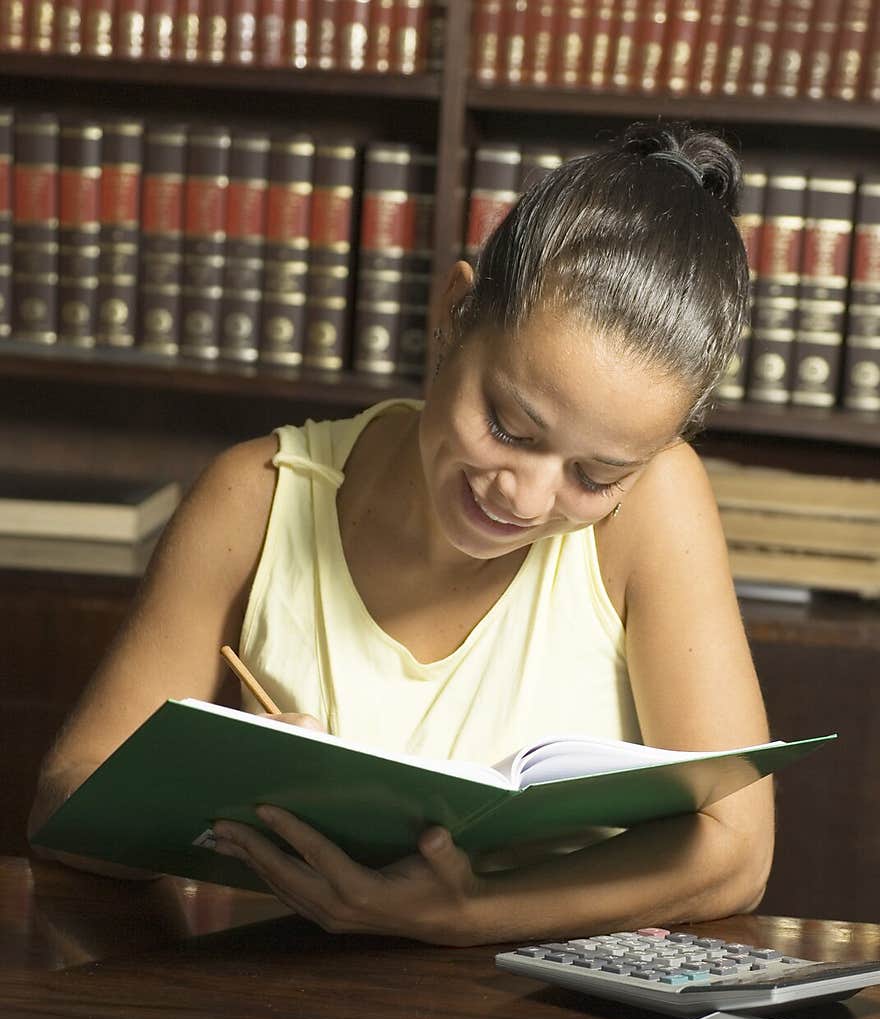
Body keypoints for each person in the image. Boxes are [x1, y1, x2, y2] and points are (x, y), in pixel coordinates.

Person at [28, 121, 774, 946]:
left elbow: (738, 852)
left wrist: (459, 915)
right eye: (510, 426)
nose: (525, 498)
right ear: (453, 313)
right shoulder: (257, 497)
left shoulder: (661, 500)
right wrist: (221, 784)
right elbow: (65, 800)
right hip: (287, 1016)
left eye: (595, 477)